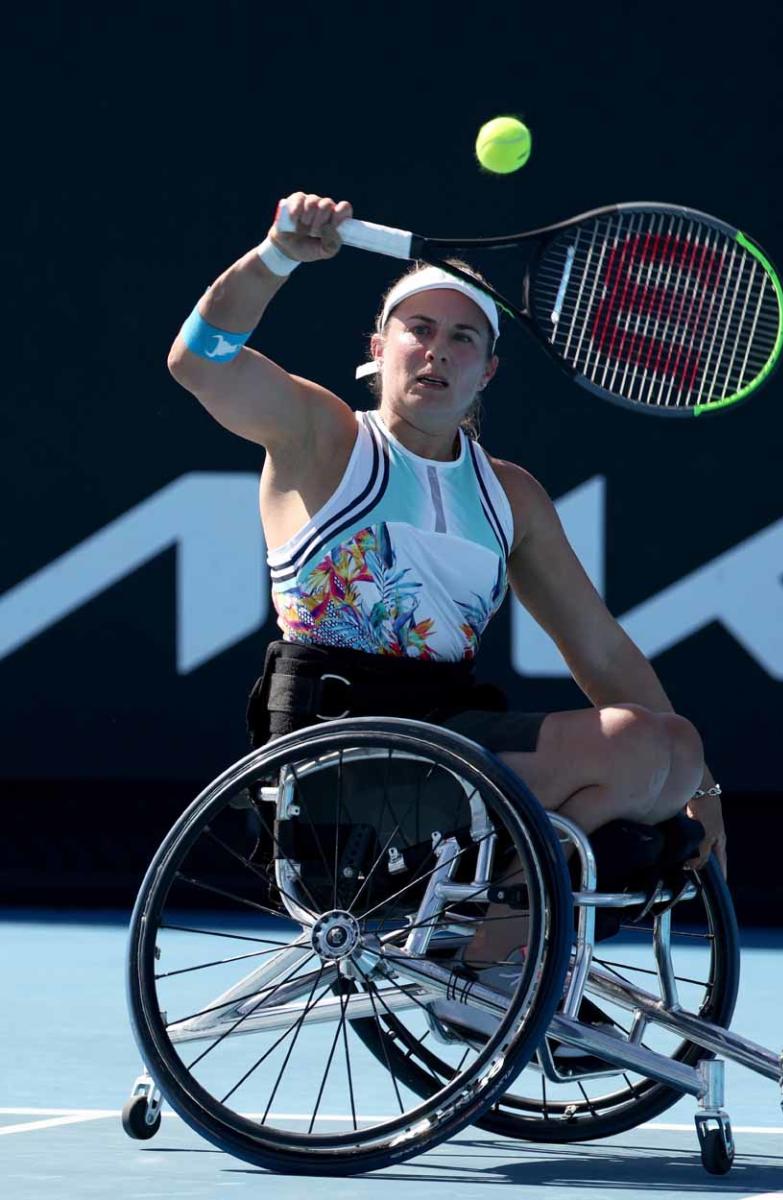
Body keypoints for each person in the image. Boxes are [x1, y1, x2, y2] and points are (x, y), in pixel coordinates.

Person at [167, 191, 727, 979]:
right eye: (418, 331)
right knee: (638, 746)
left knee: (673, 745)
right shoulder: (320, 436)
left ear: (487, 369)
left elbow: (600, 648)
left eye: (461, 338)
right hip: (341, 749)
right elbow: (199, 360)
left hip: (450, 739)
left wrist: (701, 785)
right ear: (380, 347)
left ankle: (501, 942)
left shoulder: (511, 495)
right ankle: (492, 963)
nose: (437, 351)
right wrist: (279, 255)